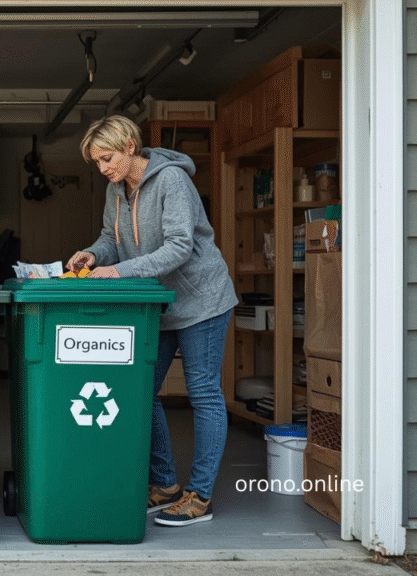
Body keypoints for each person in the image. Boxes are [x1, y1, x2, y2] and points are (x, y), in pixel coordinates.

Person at [67, 115, 238, 527]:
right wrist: (93, 255)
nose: (103, 168)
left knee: (203, 394)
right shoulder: (116, 190)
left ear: (129, 146)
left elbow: (180, 246)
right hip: (158, 304)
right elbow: (112, 239)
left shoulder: (173, 181)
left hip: (202, 302)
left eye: (107, 158)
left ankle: (199, 496)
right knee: (140, 390)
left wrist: (119, 272)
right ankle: (165, 485)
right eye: (97, 163)